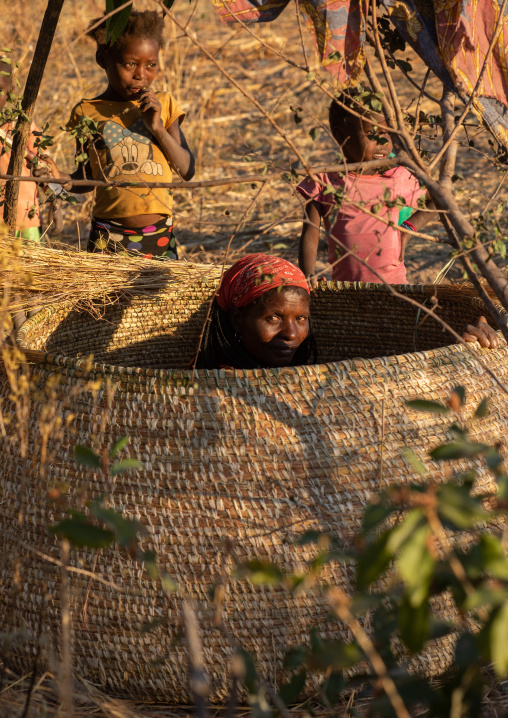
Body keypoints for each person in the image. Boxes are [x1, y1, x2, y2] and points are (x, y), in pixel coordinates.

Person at [39, 10, 195, 259]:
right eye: (130, 64)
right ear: (103, 59)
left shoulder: (163, 104)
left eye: (151, 65)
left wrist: (156, 128)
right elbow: (87, 176)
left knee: (157, 297)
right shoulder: (87, 111)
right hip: (107, 234)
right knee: (107, 298)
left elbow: (187, 170)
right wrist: (59, 177)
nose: (141, 75)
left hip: (159, 235)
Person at [297, 91, 435, 285]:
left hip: (394, 288)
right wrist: (307, 275)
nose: (382, 142)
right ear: (341, 136)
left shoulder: (396, 177)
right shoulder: (325, 181)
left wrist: (408, 229)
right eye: (372, 134)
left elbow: (437, 198)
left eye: (386, 133)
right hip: (346, 289)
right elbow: (310, 231)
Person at [198, 253, 317, 369]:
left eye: (300, 318)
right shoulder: (217, 381)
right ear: (237, 320)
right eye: (273, 318)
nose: (291, 334)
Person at [0, 59, 47, 242]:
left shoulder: (21, 125)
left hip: (26, 218)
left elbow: (44, 168)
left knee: (31, 268)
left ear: (11, 91)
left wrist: (53, 202)